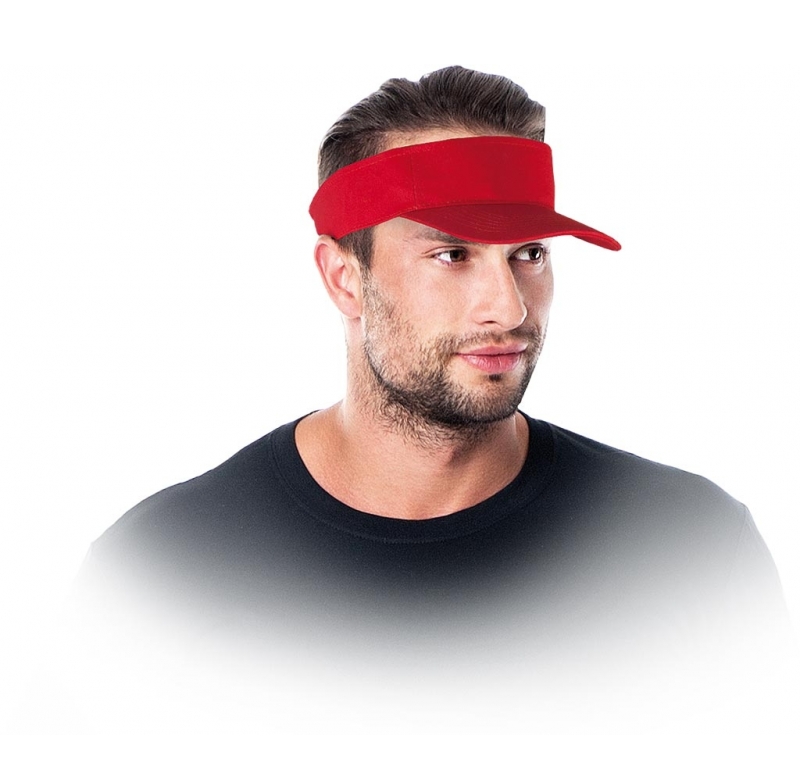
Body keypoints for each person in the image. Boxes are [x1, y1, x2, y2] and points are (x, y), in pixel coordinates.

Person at [58, 66, 790, 732]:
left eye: (529, 253)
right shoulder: (161, 575)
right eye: (452, 254)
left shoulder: (689, 554)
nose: (508, 307)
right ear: (345, 279)